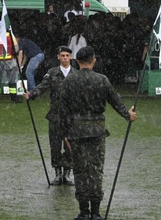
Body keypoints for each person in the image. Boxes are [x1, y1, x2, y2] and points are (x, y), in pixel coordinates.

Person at [59, 46, 137, 220]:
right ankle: (95, 211)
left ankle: (83, 211)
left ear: (76, 61)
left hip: (76, 131)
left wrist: (64, 135)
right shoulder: (102, 80)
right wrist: (127, 115)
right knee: (95, 171)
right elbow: (115, 101)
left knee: (79, 171)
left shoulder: (69, 81)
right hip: (97, 130)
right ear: (93, 60)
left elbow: (61, 111)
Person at [24, 46, 76, 186]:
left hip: (72, 117)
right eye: (62, 55)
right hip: (55, 115)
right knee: (55, 145)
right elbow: (42, 86)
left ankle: (67, 173)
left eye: (67, 55)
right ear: (58, 57)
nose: (65, 58)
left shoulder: (76, 74)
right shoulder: (52, 73)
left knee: (70, 146)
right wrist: (31, 94)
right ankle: (58, 173)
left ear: (71, 57)